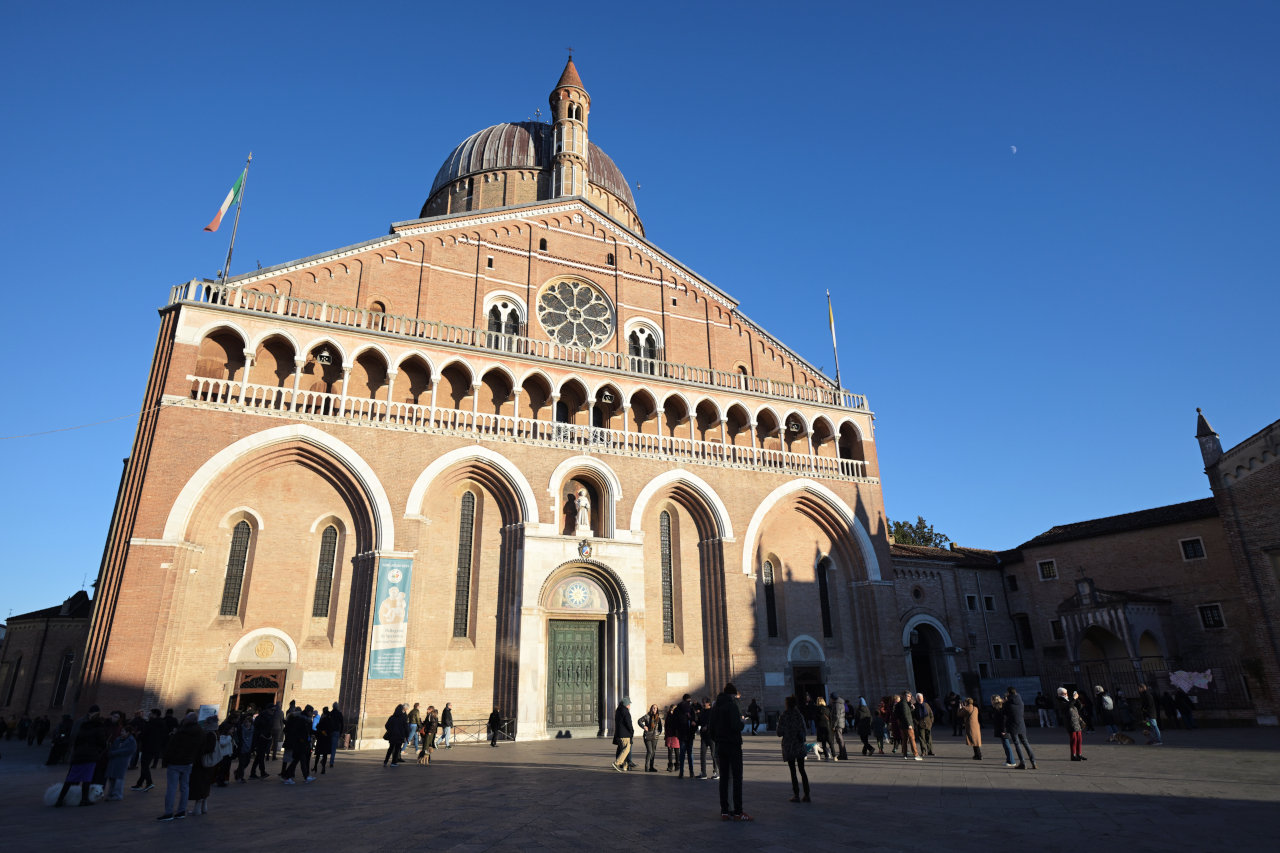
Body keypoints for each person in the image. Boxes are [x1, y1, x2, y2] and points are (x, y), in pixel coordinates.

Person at [709, 682, 749, 821]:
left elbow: (711, 730)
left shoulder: (715, 708)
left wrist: (719, 739)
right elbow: (736, 726)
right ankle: (738, 812)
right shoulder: (731, 706)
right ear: (732, 694)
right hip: (733, 746)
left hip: (721, 746)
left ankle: (724, 811)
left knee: (724, 779)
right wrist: (742, 723)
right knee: (737, 778)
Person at [54, 705, 108, 807]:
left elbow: (76, 739)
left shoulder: (83, 726)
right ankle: (84, 799)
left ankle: (60, 799)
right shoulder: (98, 728)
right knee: (87, 778)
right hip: (90, 756)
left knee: (71, 778)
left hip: (78, 755)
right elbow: (102, 743)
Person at [156, 712, 203, 820]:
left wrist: (166, 760)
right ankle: (181, 811)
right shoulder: (200, 732)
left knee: (171, 788)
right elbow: (200, 747)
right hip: (189, 762)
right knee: (185, 787)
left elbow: (172, 747)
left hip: (175, 762)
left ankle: (168, 812)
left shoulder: (182, 732)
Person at [777, 695, 810, 803]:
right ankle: (807, 794)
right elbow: (804, 730)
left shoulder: (784, 716)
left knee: (793, 771)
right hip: (799, 746)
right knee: (802, 770)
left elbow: (779, 732)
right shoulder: (799, 715)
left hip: (789, 747)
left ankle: (796, 795)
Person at [105, 714, 137, 801]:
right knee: (111, 778)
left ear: (128, 733)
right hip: (114, 760)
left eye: (123, 731)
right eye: (121, 731)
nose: (121, 733)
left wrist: (114, 752)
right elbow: (113, 747)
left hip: (122, 761)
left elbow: (128, 750)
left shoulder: (131, 741)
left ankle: (117, 794)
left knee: (118, 779)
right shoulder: (118, 739)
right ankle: (111, 793)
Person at [132, 708, 166, 791]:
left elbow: (145, 734)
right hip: (156, 747)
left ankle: (149, 782)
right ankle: (139, 783)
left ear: (154, 714)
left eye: (150, 713)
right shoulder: (162, 723)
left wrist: (139, 735)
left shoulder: (151, 723)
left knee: (144, 765)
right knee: (145, 765)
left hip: (148, 746)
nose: (149, 714)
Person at [1004, 687, 1036, 769]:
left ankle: (1023, 763)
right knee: (1026, 743)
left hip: (1012, 725)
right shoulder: (1021, 702)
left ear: (1008, 693)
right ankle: (1033, 762)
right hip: (1021, 724)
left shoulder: (1007, 703)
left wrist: (1005, 702)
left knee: (1017, 744)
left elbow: (1004, 713)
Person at [1057, 687, 1087, 762]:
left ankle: (1079, 754)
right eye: (1064, 693)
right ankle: (1073, 755)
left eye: (1066, 693)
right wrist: (1073, 699)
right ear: (1060, 694)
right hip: (1070, 722)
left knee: (1079, 739)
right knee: (1074, 739)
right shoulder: (1060, 701)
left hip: (1076, 720)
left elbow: (1079, 707)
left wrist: (1077, 699)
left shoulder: (1069, 700)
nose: (1066, 694)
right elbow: (1068, 706)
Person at [992, 695, 1018, 767]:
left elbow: (1004, 719)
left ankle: (1012, 761)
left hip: (1003, 729)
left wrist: (1003, 730)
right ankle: (1008, 760)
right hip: (1002, 728)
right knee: (1005, 745)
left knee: (1007, 745)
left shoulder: (1000, 707)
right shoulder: (999, 707)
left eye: (992, 700)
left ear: (994, 700)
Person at [674, 694, 696, 778]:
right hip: (686, 734)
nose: (689, 703)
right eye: (688, 701)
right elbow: (694, 721)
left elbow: (694, 721)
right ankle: (689, 772)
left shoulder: (679, 709)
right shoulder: (690, 709)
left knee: (683, 754)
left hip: (684, 734)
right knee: (688, 753)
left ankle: (683, 772)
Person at [895, 692, 921, 760]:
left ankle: (905, 754)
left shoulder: (902, 703)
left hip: (902, 725)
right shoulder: (904, 704)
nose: (910, 698)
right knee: (912, 739)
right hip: (907, 725)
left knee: (904, 740)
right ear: (904, 696)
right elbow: (905, 715)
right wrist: (909, 724)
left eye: (910, 696)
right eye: (908, 696)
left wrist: (912, 708)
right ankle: (916, 754)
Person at [696, 697, 718, 779]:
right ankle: (703, 773)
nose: (703, 704)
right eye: (702, 702)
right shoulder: (702, 711)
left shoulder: (713, 711)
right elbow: (700, 721)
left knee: (714, 755)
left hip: (711, 736)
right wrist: (695, 722)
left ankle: (716, 772)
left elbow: (713, 722)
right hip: (704, 737)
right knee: (702, 755)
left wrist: (707, 727)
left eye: (704, 702)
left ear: (709, 703)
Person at [638, 703, 663, 772]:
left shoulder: (658, 718)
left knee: (653, 752)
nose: (655, 709)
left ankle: (651, 767)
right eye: (653, 708)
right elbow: (639, 721)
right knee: (650, 751)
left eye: (656, 708)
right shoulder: (647, 716)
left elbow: (660, 727)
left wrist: (659, 732)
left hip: (655, 737)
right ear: (651, 709)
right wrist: (643, 726)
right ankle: (646, 766)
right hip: (648, 736)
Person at [612, 697, 634, 771]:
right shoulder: (625, 711)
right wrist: (631, 731)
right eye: (629, 704)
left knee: (623, 750)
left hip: (619, 734)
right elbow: (628, 723)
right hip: (625, 734)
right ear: (626, 704)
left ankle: (625, 766)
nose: (629, 705)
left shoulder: (618, 711)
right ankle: (617, 763)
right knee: (626, 749)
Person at [812, 696, 835, 761]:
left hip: (820, 728)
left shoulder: (816, 710)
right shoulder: (827, 709)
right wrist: (831, 726)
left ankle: (826, 757)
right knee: (831, 743)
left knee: (824, 744)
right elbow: (831, 718)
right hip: (828, 728)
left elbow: (815, 720)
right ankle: (834, 756)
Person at [313, 707, 333, 773]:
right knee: (325, 755)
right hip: (327, 739)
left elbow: (318, 727)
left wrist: (321, 732)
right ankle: (323, 768)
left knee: (318, 754)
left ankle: (315, 766)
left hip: (321, 738)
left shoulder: (323, 719)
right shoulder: (330, 720)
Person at [830, 694, 848, 759]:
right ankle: (843, 754)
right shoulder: (840, 703)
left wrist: (834, 726)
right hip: (840, 723)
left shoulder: (837, 704)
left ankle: (843, 755)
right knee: (840, 739)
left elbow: (836, 716)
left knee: (840, 739)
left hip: (838, 724)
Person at [663, 704, 680, 771]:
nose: (672, 710)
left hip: (676, 736)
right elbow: (666, 725)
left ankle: (677, 765)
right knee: (670, 752)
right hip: (669, 735)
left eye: (673, 709)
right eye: (671, 709)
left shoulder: (678, 716)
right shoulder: (668, 716)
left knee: (677, 752)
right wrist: (665, 734)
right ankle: (670, 765)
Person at [329, 701, 345, 765]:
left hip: (329, 732)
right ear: (337, 707)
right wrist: (341, 732)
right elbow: (342, 723)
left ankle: (323, 759)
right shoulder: (339, 714)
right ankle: (331, 762)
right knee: (333, 748)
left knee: (328, 746)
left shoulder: (330, 713)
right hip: (336, 732)